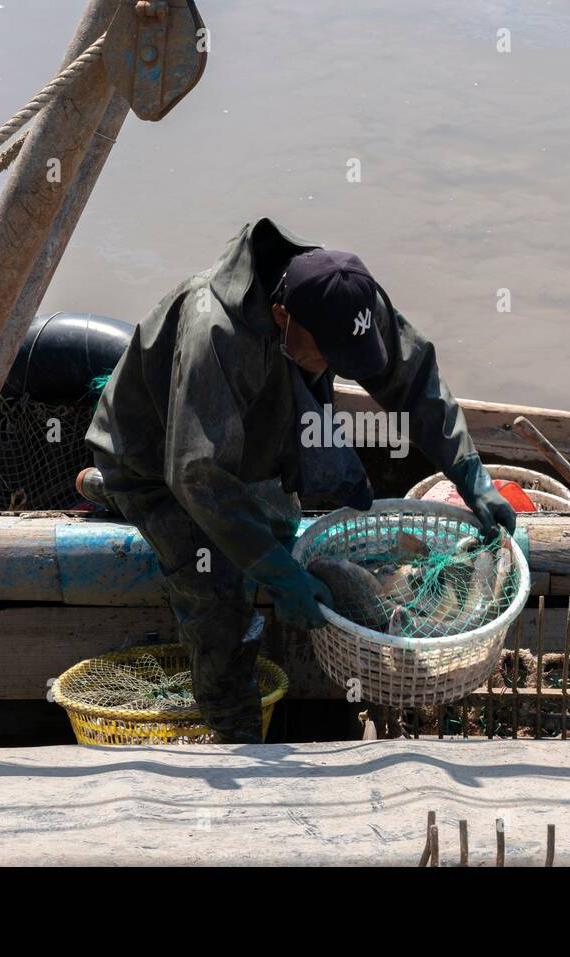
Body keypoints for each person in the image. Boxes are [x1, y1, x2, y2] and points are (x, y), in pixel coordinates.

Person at [83, 218, 516, 742]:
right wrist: (278, 576)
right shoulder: (212, 331)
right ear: (282, 315)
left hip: (240, 444)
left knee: (283, 523)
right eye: (331, 358)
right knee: (219, 592)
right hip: (159, 459)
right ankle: (237, 735)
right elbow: (199, 473)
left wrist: (470, 473)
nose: (342, 368)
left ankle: (107, 492)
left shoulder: (342, 297)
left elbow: (415, 376)